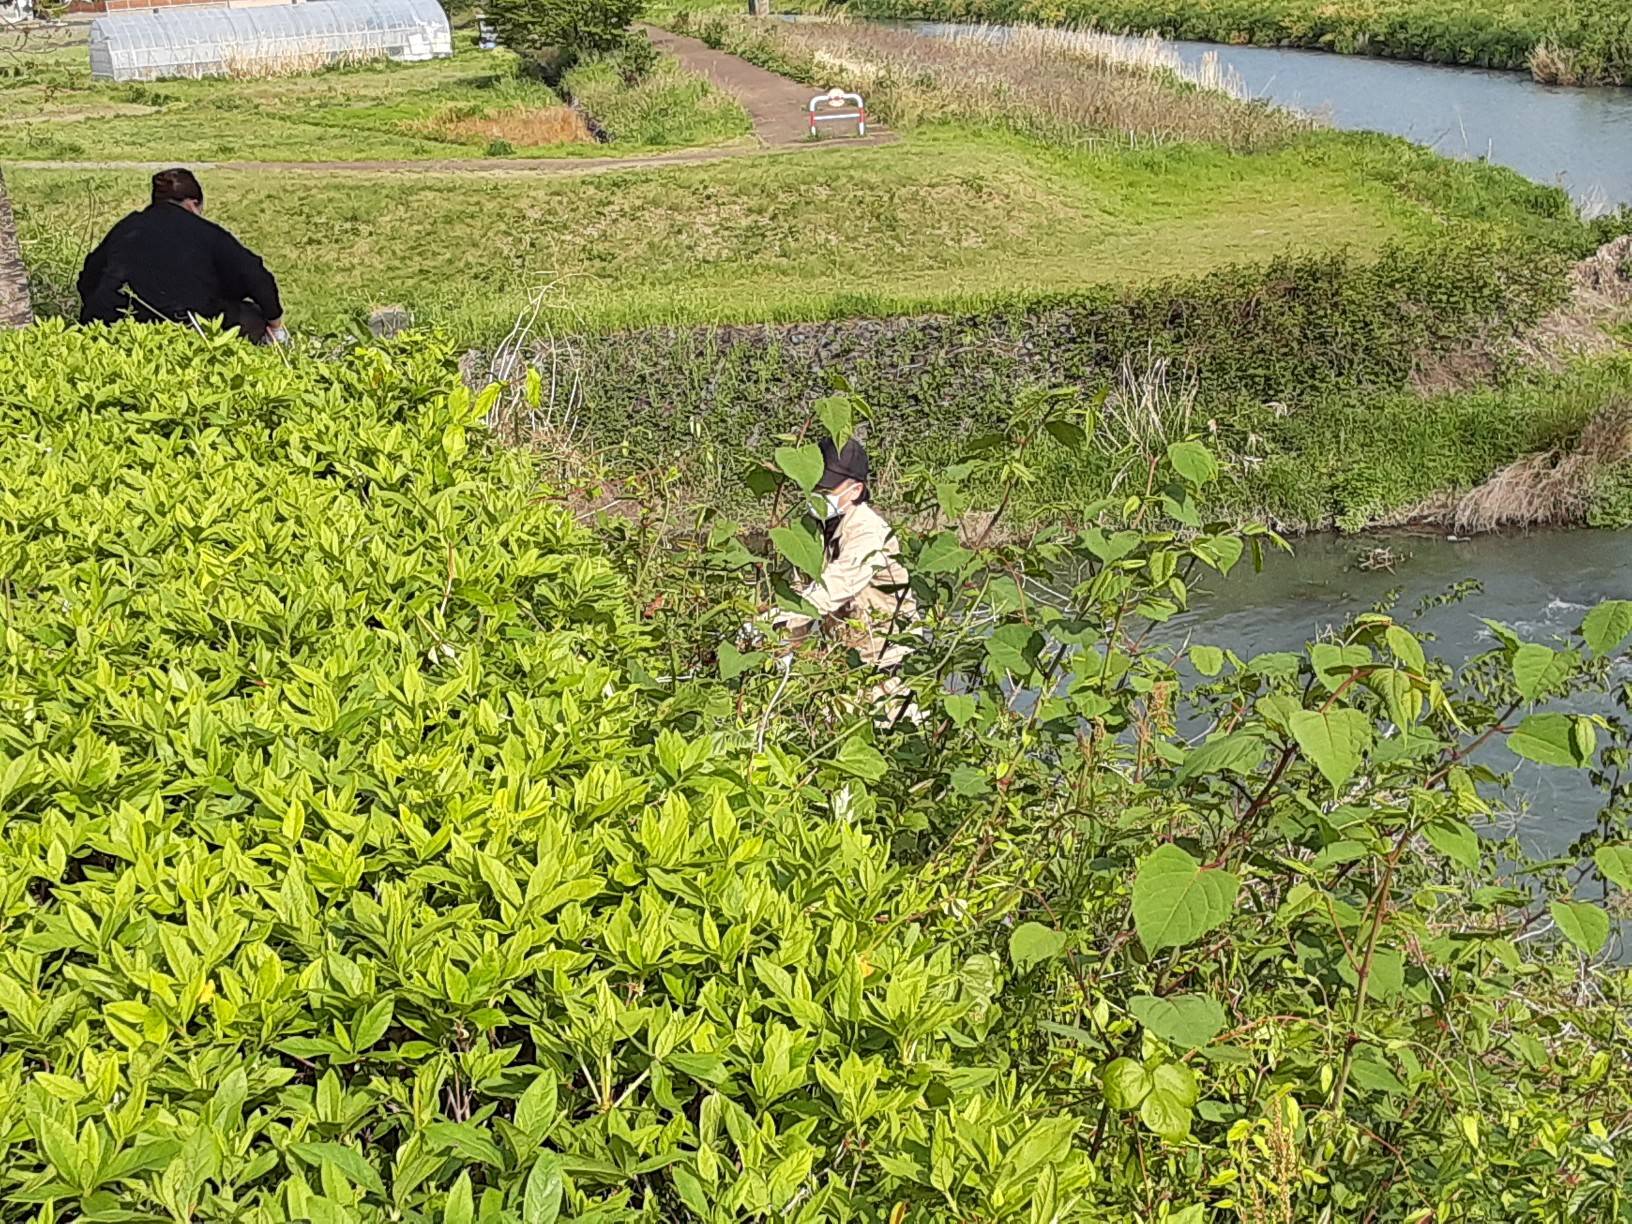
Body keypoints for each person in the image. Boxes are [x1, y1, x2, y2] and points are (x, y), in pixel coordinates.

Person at [774, 437, 922, 723]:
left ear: (856, 490)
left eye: (826, 489)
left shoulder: (870, 532)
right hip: (840, 660)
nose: (817, 494)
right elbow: (798, 591)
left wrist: (774, 620)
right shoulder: (810, 529)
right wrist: (779, 646)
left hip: (884, 662)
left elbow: (835, 586)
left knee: (893, 736)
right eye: (814, 485)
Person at [78, 168, 287, 344]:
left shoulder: (126, 228)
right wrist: (276, 327)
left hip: (111, 322)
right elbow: (255, 276)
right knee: (252, 316)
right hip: (184, 324)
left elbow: (88, 278)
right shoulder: (206, 232)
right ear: (192, 204)